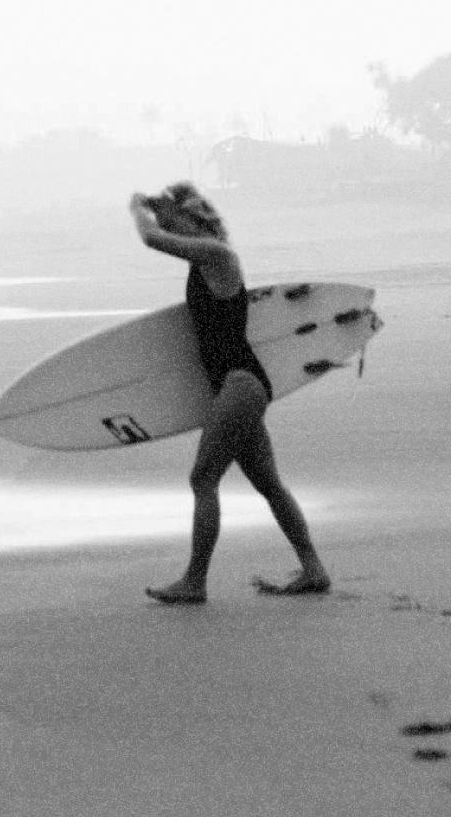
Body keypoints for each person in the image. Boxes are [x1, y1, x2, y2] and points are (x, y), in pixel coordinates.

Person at [129, 182, 331, 602]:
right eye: (165, 220)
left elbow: (152, 239)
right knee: (269, 484)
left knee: (203, 478)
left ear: (194, 220)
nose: (169, 227)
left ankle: (194, 581)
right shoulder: (205, 261)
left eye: (174, 219)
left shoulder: (218, 256)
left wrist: (138, 209)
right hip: (238, 386)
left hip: (240, 383)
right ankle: (314, 569)